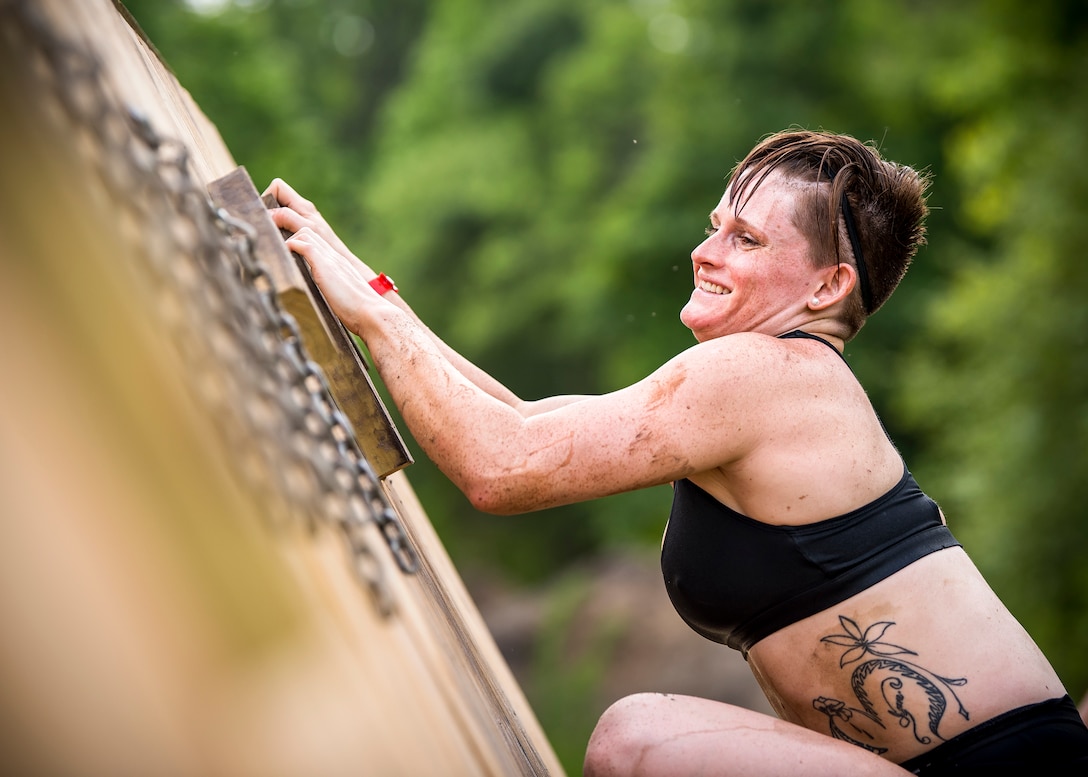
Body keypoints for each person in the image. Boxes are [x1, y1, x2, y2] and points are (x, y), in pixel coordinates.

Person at [264, 129, 1088, 775]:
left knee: (638, 740)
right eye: (713, 226)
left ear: (828, 287)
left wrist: (370, 314)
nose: (706, 251)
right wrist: (368, 289)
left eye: (747, 239)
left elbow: (500, 465)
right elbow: (519, 419)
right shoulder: (779, 382)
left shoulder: (770, 373)